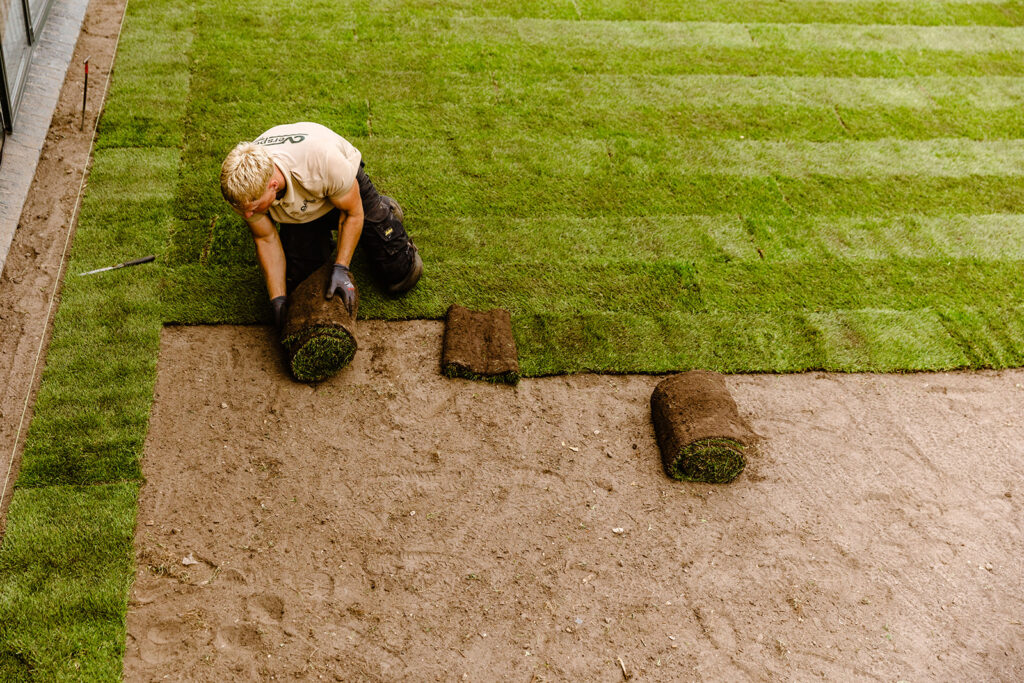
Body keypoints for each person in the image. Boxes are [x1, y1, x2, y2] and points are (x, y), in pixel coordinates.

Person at [219, 122, 422, 327]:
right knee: (304, 284)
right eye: (245, 209)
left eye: (254, 208)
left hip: (338, 184)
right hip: (303, 202)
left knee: (401, 275)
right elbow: (265, 238)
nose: (247, 215)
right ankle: (321, 222)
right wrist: (278, 298)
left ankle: (381, 207)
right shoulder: (243, 194)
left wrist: (341, 267)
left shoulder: (324, 162)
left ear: (273, 185)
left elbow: (351, 213)